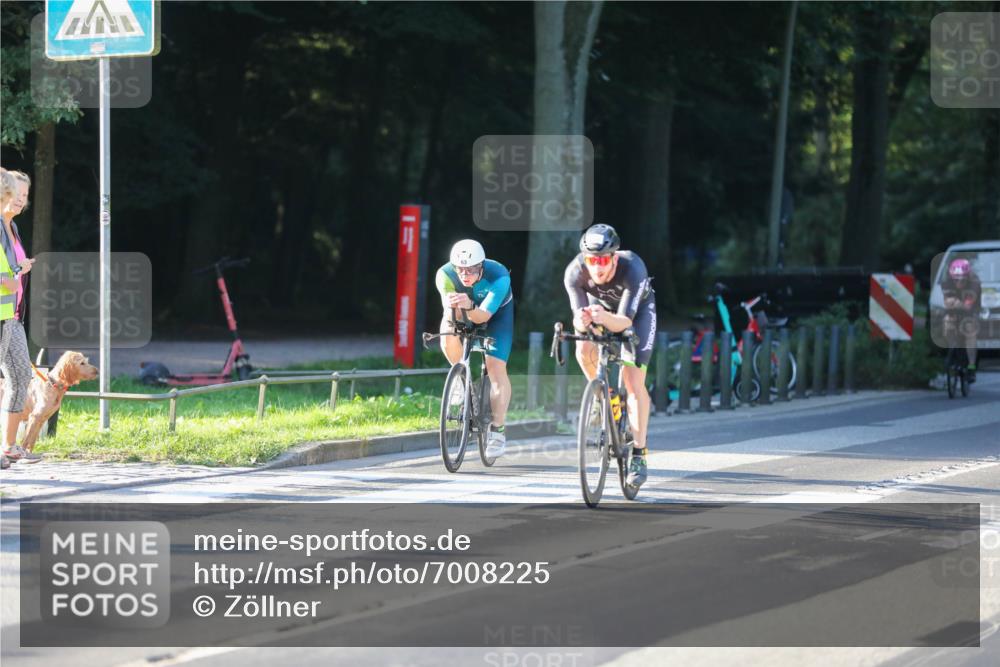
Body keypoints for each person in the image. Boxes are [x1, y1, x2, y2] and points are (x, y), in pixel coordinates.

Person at [564, 223, 656, 488]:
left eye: (604, 259)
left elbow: (625, 321)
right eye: (592, 260)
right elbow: (579, 319)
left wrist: (603, 318)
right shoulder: (574, 272)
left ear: (614, 257)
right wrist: (582, 321)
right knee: (583, 346)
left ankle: (639, 454)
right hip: (600, 309)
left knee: (632, 380)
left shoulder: (633, 268)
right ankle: (603, 396)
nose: (598, 266)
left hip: (636, 315)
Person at [435, 240, 514, 459]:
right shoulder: (444, 275)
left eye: (471, 270)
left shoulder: (498, 276)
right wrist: (457, 310)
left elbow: (482, 317)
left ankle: (498, 430)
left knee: (496, 368)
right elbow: (449, 313)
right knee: (448, 330)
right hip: (463, 310)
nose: (465, 274)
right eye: (461, 269)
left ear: (482, 266)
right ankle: (461, 379)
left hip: (495, 317)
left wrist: (470, 304)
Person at [0, 170, 39, 463]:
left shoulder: (12, 228)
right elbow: (5, 273)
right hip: (2, 314)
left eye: (24, 197)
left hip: (13, 316)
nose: (20, 201)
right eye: (16, 194)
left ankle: (9, 446)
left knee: (22, 375)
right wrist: (15, 272)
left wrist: (19, 269)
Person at [941, 257, 981, 382]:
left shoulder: (974, 283)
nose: (959, 282)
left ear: (967, 276)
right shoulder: (946, 282)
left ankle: (971, 365)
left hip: (972, 311)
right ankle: (951, 347)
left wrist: (957, 303)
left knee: (970, 332)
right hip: (954, 310)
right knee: (947, 322)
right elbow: (947, 302)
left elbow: (968, 305)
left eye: (962, 279)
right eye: (956, 279)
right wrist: (955, 303)